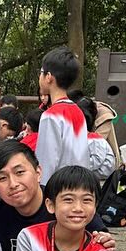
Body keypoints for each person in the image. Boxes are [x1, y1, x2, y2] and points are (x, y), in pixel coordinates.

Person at [32, 47, 90, 182]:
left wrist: (41, 187)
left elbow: (45, 163)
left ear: (48, 77)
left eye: (41, 72)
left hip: (59, 186)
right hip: (81, 183)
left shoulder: (50, 116)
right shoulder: (78, 111)